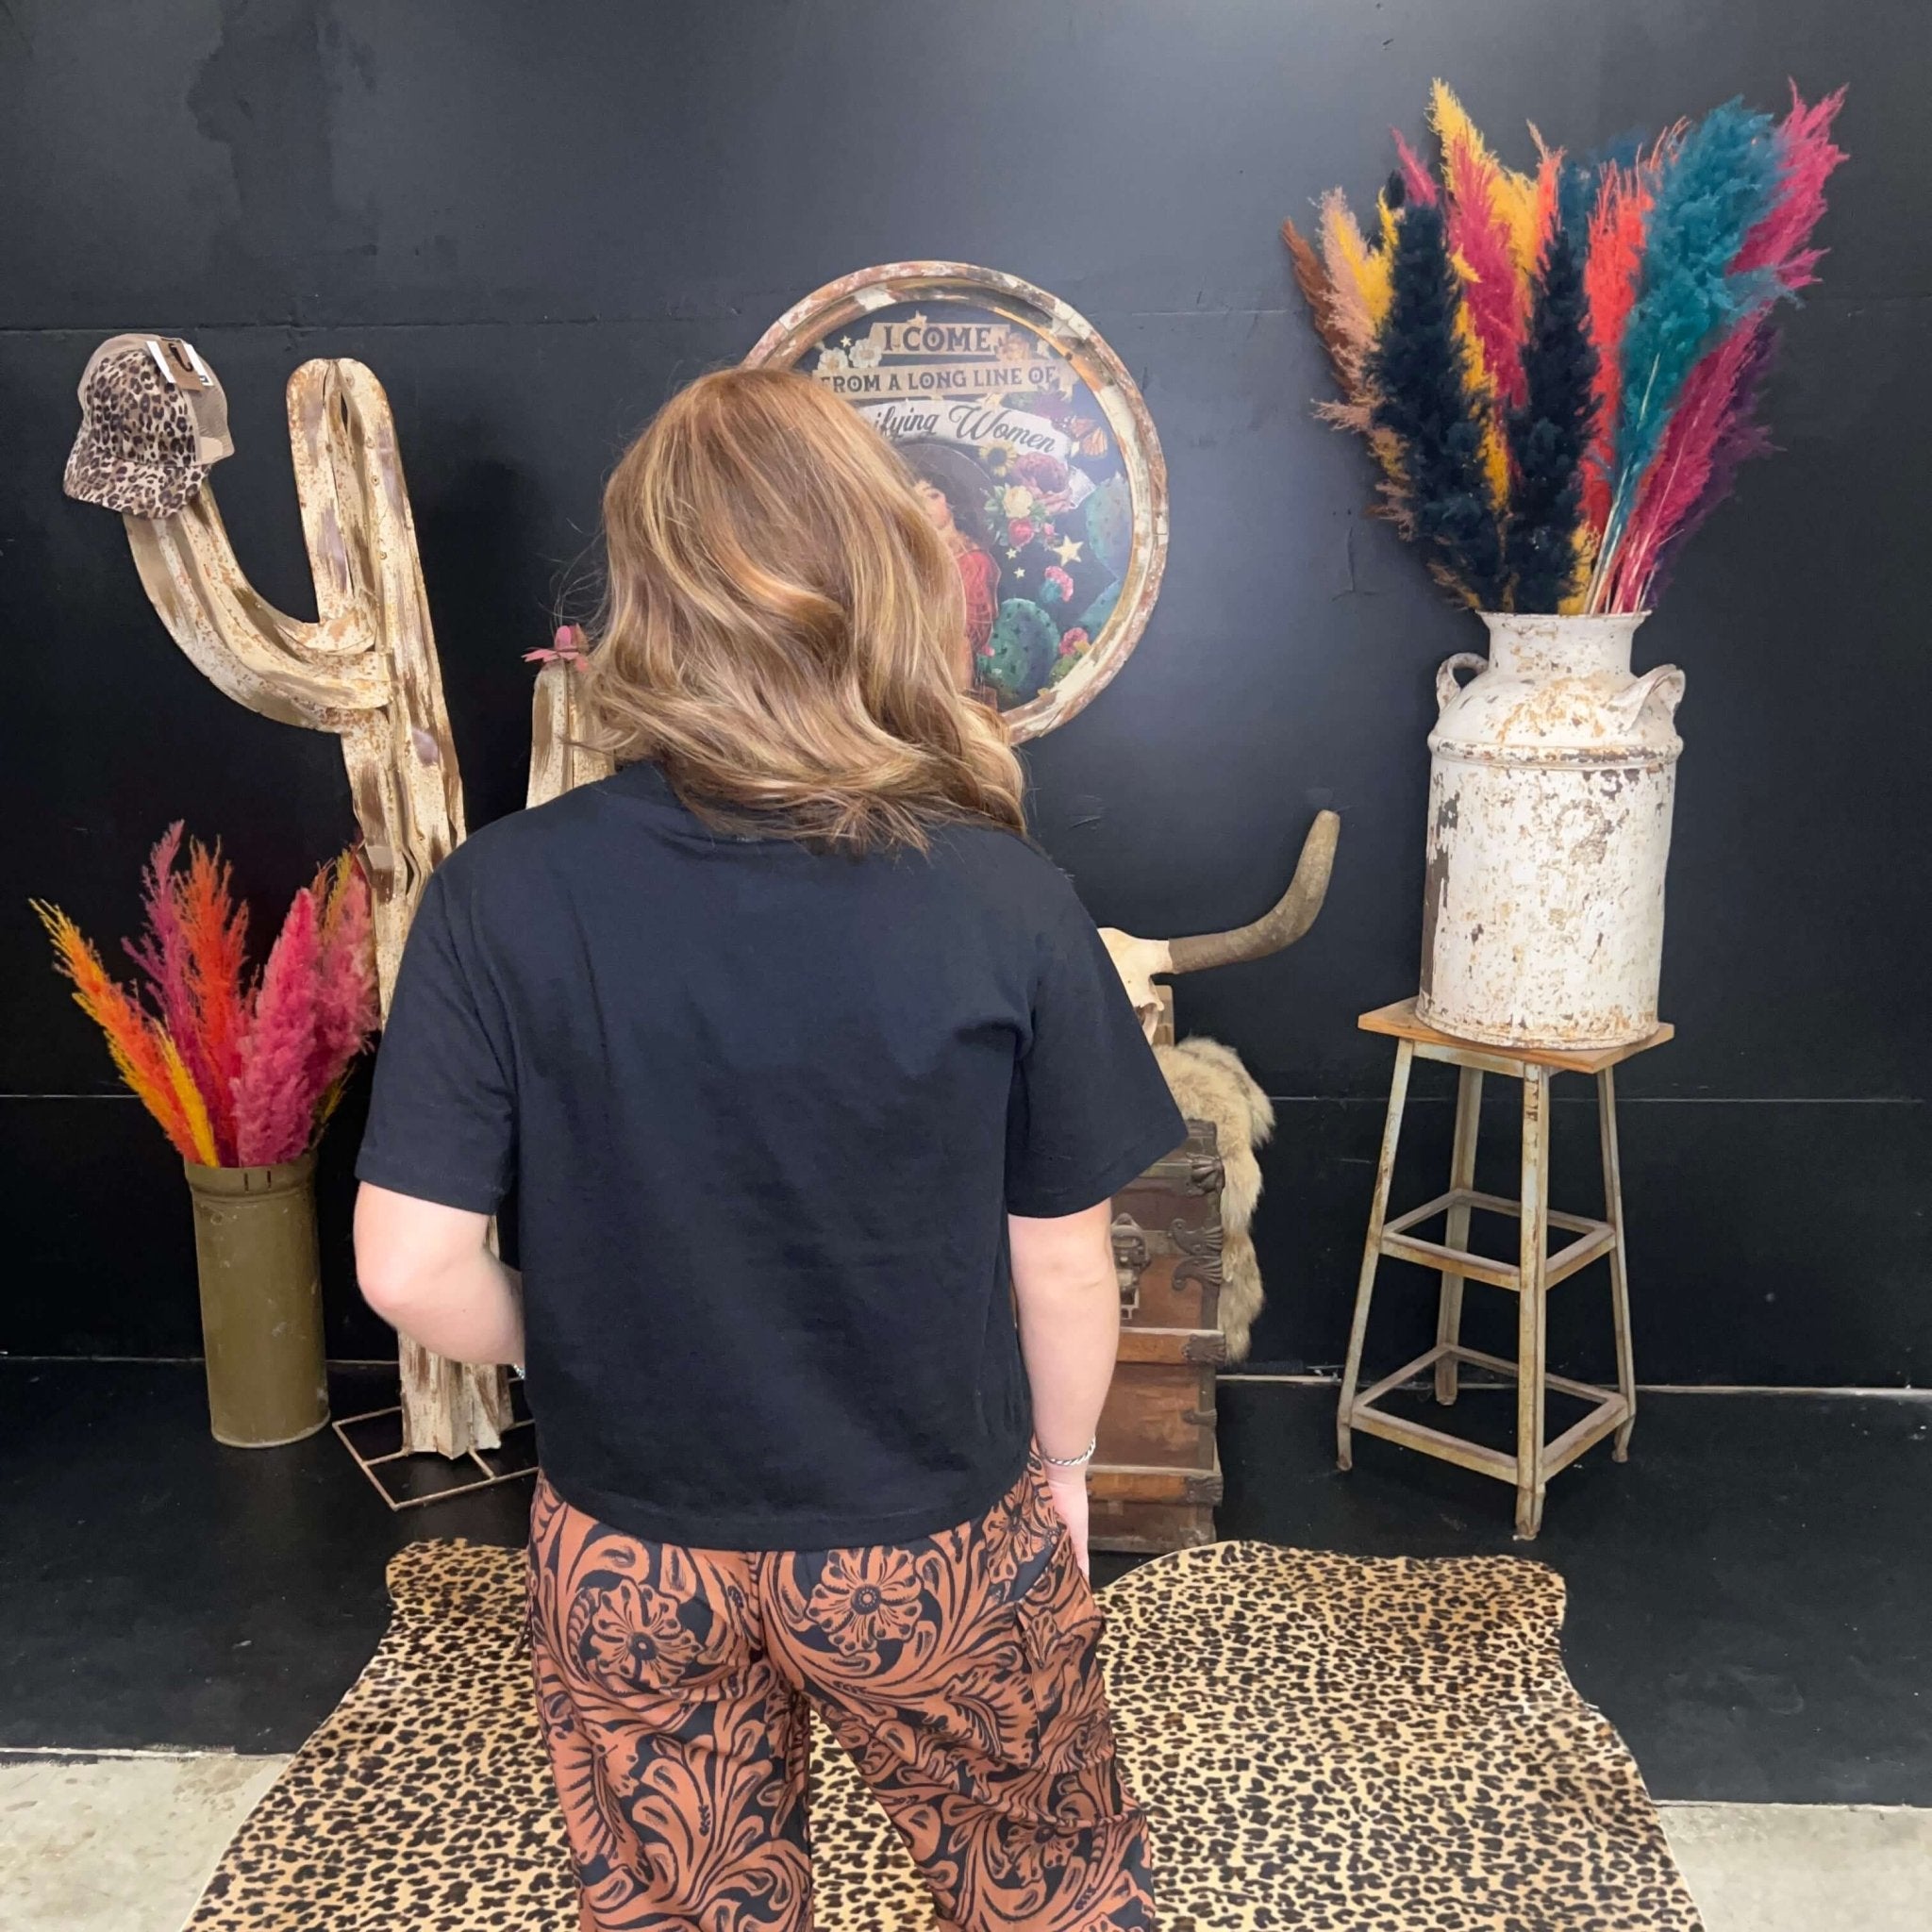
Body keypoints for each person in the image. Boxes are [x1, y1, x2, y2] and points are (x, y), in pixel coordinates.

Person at [353, 366, 1185, 1932]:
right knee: (1049, 1893)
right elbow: (1066, 1266)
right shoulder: (1006, 900)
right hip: (926, 1545)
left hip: (629, 1557)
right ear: (886, 573)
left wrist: (581, 1348)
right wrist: (1067, 1474)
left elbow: (408, 1266)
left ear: (647, 597)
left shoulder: (496, 894)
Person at [903, 438, 1002, 668]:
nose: (923, 506)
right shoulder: (911, 554)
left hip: (949, 662)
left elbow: (969, 631)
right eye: (914, 499)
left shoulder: (974, 561)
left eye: (932, 495)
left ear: (952, 501)